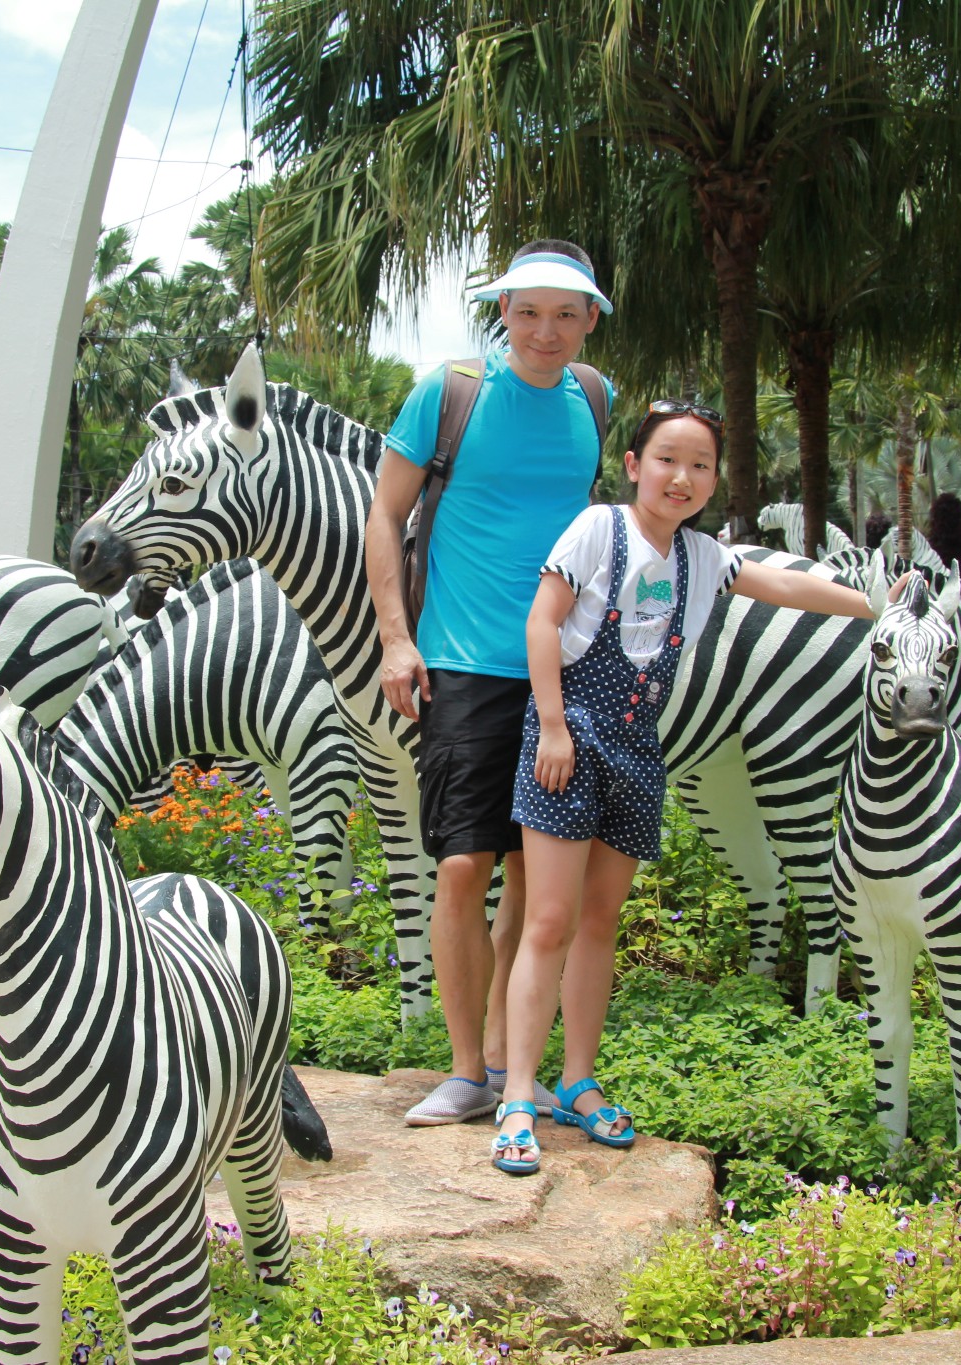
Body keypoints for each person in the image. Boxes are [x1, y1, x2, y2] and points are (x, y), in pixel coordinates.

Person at [489, 403, 896, 1175]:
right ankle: (516, 1093)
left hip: (641, 748)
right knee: (548, 919)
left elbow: (784, 586)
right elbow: (544, 623)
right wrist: (551, 725)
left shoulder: (705, 557)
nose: (683, 477)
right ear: (634, 464)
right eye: (667, 459)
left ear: (714, 479)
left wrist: (876, 606)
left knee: (600, 923)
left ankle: (578, 1080)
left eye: (701, 464)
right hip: (568, 737)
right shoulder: (597, 530)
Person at [365, 240, 615, 1126]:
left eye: (566, 314)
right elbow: (384, 516)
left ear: (590, 320)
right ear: (502, 312)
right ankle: (465, 1067)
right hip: (464, 661)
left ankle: (512, 1063)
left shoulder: (594, 399)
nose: (545, 332)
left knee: (529, 870)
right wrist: (397, 641)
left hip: (567, 669)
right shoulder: (451, 393)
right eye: (528, 311)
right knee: (464, 862)